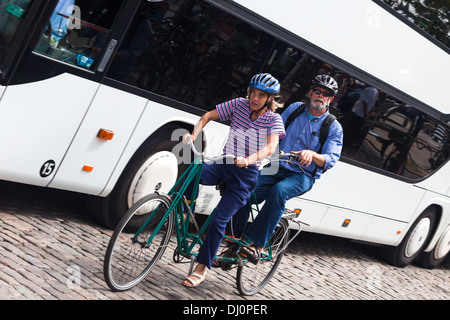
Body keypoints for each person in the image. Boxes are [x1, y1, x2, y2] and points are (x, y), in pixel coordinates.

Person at [181, 73, 286, 288]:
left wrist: (249, 160)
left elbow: (271, 147)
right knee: (192, 171)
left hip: (245, 177)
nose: (254, 98)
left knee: (218, 220)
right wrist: (194, 134)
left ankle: (201, 269)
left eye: (261, 95)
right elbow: (208, 116)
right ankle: (185, 207)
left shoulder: (274, 119)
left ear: (269, 99)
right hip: (223, 164)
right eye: (252, 93)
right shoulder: (239, 105)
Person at [232, 74, 343, 261]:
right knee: (244, 189)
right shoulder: (294, 109)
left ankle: (256, 244)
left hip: (302, 176)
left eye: (326, 94)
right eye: (317, 90)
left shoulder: (333, 126)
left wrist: (313, 154)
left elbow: (331, 159)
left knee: (279, 191)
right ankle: (235, 240)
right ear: (310, 92)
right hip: (275, 167)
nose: (320, 95)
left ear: (330, 99)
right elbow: (273, 131)